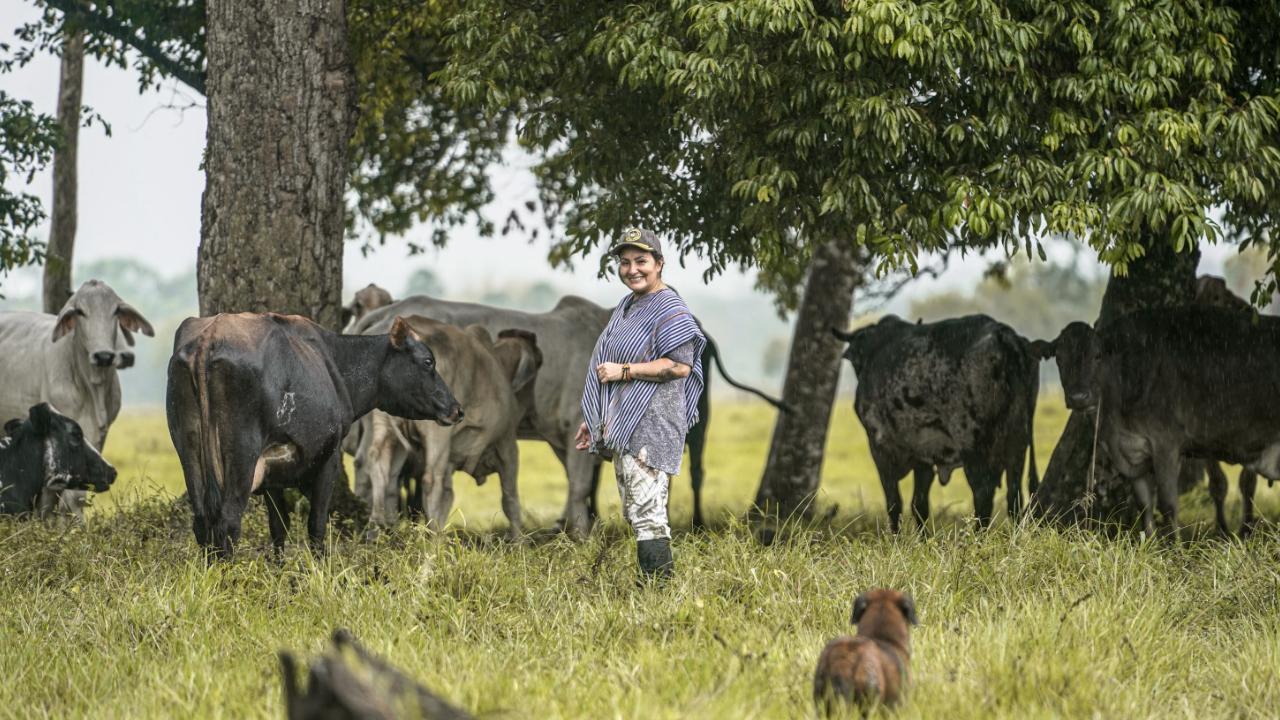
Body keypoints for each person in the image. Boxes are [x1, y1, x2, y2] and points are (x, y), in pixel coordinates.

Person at [576, 227, 706, 583]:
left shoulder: (669, 307)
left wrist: (625, 371)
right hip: (625, 425)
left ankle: (659, 592)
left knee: (648, 512)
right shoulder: (628, 305)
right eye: (625, 262)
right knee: (635, 509)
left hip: (651, 423)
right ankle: (652, 586)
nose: (632, 269)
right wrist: (597, 418)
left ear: (660, 263)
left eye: (641, 261)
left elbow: (679, 366)